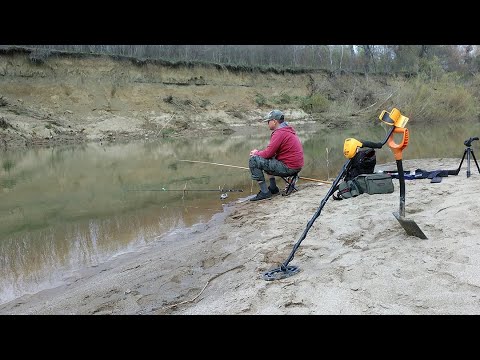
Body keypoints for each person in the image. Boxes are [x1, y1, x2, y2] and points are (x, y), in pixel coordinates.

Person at [248, 109, 304, 201]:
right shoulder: (287, 130)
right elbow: (270, 154)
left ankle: (264, 192)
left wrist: (256, 153)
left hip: (289, 168)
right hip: (296, 167)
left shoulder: (279, 133)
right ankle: (273, 188)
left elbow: (267, 153)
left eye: (268, 121)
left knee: (254, 160)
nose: (267, 124)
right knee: (268, 158)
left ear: (274, 121)